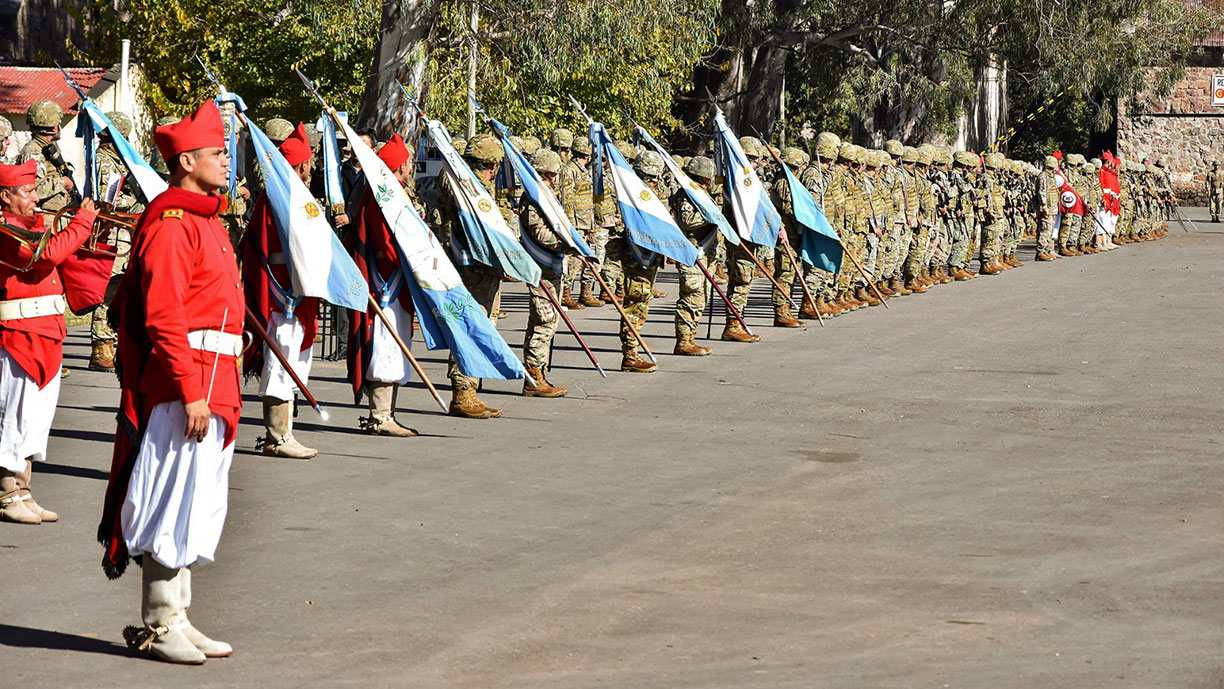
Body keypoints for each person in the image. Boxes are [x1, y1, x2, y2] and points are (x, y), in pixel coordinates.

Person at [97, 100, 241, 663]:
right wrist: (190, 389)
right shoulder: (173, 225)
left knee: (198, 500)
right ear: (186, 161)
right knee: (171, 497)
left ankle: (179, 613)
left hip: (216, 378)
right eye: (216, 153)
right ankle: (158, 621)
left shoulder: (205, 219)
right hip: (190, 386)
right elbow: (164, 317)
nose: (225, 162)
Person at [0, 160, 96, 524]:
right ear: (5, 196)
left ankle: (23, 488)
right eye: (27, 192)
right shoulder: (6, 230)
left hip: (48, 333)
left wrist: (88, 229)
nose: (36, 198)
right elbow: (46, 255)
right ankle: (6, 492)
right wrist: (81, 222)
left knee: (36, 420)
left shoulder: (34, 225)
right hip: (18, 337)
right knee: (14, 417)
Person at [240, 123, 321, 458]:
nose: (311, 169)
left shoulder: (294, 196)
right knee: (281, 359)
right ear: (301, 166)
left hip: (299, 291)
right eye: (309, 164)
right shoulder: (280, 198)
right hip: (282, 295)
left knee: (295, 360)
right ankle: (276, 436)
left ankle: (285, 432)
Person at [343, 133, 421, 436]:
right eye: (408, 162)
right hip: (386, 282)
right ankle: (379, 416)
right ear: (400, 166)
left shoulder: (395, 191)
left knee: (396, 345)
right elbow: (388, 244)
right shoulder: (383, 197)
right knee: (385, 347)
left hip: (397, 283)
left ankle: (388, 413)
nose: (411, 166)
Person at [89, 111, 145, 372]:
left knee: (122, 282)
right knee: (109, 285)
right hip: (114, 227)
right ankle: (101, 344)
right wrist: (137, 203)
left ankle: (113, 338)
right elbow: (107, 198)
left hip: (125, 226)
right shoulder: (104, 160)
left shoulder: (117, 158)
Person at [518, 148, 570, 397]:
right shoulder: (533, 198)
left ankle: (537, 371)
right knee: (544, 321)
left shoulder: (546, 196)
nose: (555, 179)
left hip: (551, 268)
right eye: (551, 175)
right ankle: (534, 377)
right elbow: (540, 233)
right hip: (540, 267)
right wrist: (567, 244)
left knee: (544, 320)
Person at [671, 155, 720, 355]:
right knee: (692, 296)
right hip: (692, 250)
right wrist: (712, 216)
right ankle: (683, 341)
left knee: (702, 296)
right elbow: (688, 220)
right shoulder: (687, 194)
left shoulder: (700, 193)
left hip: (705, 252)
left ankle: (690, 337)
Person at [18, 100, 77, 223]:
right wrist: (63, 182)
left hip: (57, 217)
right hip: (44, 221)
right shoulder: (33, 152)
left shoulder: (49, 147)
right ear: (53, 127)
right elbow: (35, 189)